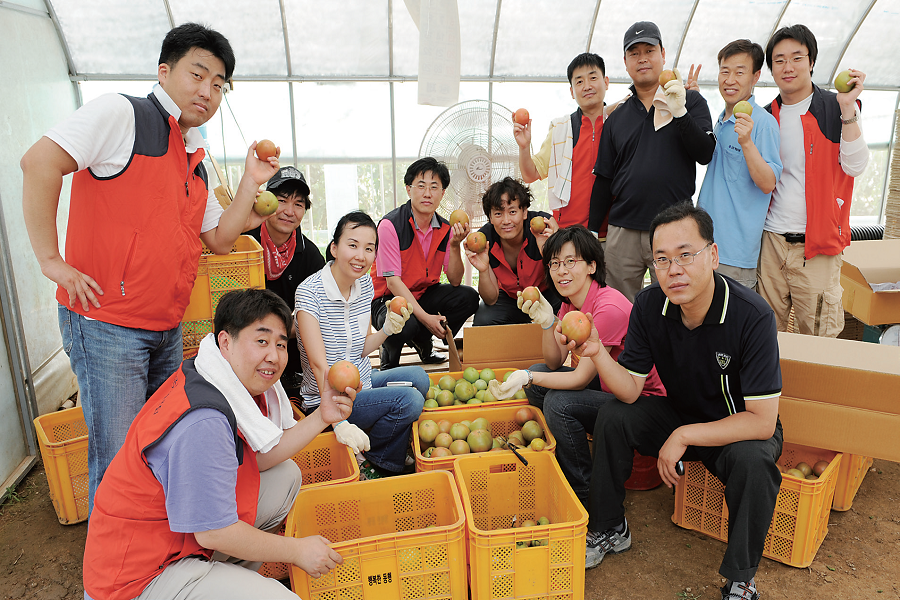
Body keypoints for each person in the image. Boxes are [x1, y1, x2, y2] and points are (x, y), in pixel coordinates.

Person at [20, 23, 279, 514]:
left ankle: (149, 564)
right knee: (117, 461)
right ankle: (111, 585)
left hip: (164, 327)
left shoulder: (193, 158)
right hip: (106, 325)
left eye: (219, 83)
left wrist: (250, 182)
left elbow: (221, 241)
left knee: (155, 449)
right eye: (197, 74)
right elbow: (38, 163)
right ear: (164, 72)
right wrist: (52, 262)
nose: (208, 91)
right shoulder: (123, 114)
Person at [82, 288, 353, 600]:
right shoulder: (205, 421)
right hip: (136, 580)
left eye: (281, 344)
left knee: (285, 476)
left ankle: (223, 579)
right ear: (226, 341)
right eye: (262, 341)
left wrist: (323, 415)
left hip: (171, 537)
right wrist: (297, 551)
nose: (275, 356)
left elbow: (256, 460)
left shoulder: (207, 374)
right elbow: (213, 531)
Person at [572, 202, 782, 600]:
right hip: (679, 414)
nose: (674, 269)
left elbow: (762, 422)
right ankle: (610, 528)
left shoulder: (752, 316)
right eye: (662, 259)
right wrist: (598, 352)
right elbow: (632, 389)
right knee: (614, 415)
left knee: (755, 461)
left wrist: (684, 435)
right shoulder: (651, 305)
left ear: (714, 255)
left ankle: (741, 579)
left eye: (687, 255)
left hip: (735, 427)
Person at [489, 226, 665, 506]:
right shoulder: (570, 305)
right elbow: (553, 362)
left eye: (571, 262)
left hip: (642, 402)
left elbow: (579, 380)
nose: (562, 271)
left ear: (592, 266)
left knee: (558, 401)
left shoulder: (607, 308)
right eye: (555, 264)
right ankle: (568, 461)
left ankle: (583, 489)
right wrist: (548, 324)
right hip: (609, 388)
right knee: (541, 382)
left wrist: (526, 376)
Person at [297, 211, 429, 478]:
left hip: (361, 382)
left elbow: (362, 348)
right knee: (410, 400)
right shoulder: (309, 293)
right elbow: (318, 364)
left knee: (420, 378)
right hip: (329, 397)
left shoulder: (365, 284)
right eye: (353, 245)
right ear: (334, 247)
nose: (361, 256)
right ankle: (377, 461)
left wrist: (387, 330)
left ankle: (378, 442)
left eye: (369, 248)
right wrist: (337, 421)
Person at [590, 21, 715, 302]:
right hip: (623, 231)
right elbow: (604, 178)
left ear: (663, 54)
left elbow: (705, 153)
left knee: (676, 305)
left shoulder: (691, 101)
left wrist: (679, 109)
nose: (642, 58)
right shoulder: (617, 115)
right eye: (634, 53)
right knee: (620, 306)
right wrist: (590, 231)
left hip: (675, 228)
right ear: (625, 62)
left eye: (649, 50)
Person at [759, 24, 868, 336]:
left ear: (811, 62)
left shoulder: (836, 107)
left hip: (818, 245)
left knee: (820, 336)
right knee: (767, 336)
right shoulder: (767, 117)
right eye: (779, 60)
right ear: (770, 68)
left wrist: (848, 108)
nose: (788, 67)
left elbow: (855, 166)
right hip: (772, 243)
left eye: (796, 57)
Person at [370, 158, 480, 369]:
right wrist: (427, 320)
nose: (427, 193)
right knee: (404, 323)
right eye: (421, 186)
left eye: (434, 187)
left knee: (469, 297)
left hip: (423, 293)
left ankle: (422, 341)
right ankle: (389, 352)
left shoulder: (446, 229)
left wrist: (455, 245)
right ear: (409, 189)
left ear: (442, 193)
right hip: (387, 299)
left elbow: (455, 280)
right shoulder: (390, 226)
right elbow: (393, 283)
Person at [696, 40, 783, 290]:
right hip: (704, 245)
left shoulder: (762, 123)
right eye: (725, 71)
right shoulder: (722, 120)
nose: (730, 79)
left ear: (755, 76)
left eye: (739, 72)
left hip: (735, 255)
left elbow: (768, 183)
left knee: (733, 326)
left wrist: (746, 142)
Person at [247, 166, 325, 393]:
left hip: (289, 354)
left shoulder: (309, 255)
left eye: (298, 204)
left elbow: (320, 313)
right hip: (244, 346)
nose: (289, 211)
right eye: (282, 200)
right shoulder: (244, 242)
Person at [516, 52, 611, 236]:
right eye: (579, 81)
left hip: (613, 233)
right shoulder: (561, 129)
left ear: (606, 82)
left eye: (593, 78)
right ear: (571, 91)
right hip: (568, 232)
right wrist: (524, 146)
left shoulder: (620, 122)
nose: (587, 86)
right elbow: (530, 174)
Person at [465, 177, 562, 326]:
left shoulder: (542, 228)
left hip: (546, 294)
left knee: (567, 308)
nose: (506, 221)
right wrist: (483, 270)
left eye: (512, 211)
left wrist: (549, 250)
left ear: (524, 212)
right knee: (484, 319)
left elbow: (564, 275)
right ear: (490, 217)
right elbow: (491, 299)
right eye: (498, 214)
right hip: (510, 299)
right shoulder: (484, 240)